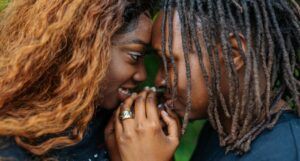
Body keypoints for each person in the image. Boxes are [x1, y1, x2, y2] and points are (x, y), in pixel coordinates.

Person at [106, 0, 300, 161]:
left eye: (170, 62)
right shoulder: (221, 131)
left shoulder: (283, 151)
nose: (159, 80)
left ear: (233, 53)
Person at [0, 0, 152, 160]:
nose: (142, 75)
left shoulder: (126, 129)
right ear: (90, 49)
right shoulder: (10, 143)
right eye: (135, 56)